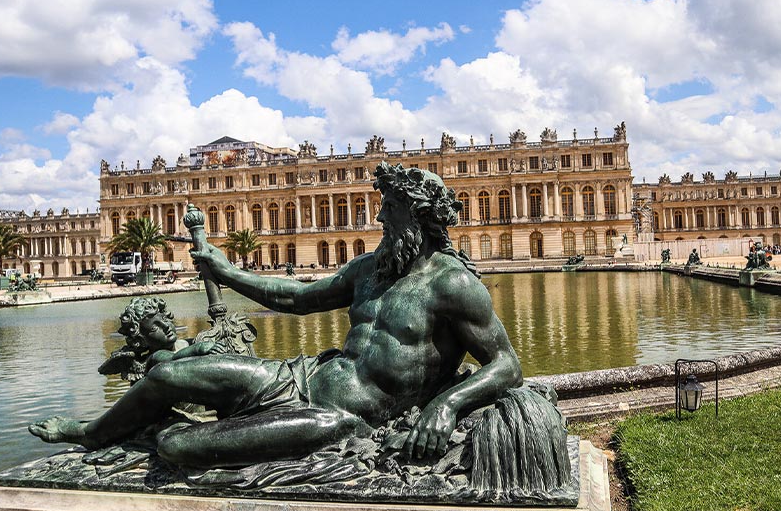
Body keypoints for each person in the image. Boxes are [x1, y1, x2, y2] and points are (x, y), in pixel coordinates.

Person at [30, 163, 523, 468]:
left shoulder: (453, 284)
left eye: (389, 208)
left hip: (338, 418)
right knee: (168, 374)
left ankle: (173, 435)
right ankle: (94, 433)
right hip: (299, 377)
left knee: (179, 448)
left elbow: (506, 365)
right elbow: (294, 298)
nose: (378, 218)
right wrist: (226, 272)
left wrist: (447, 405)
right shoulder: (371, 269)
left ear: (418, 216)